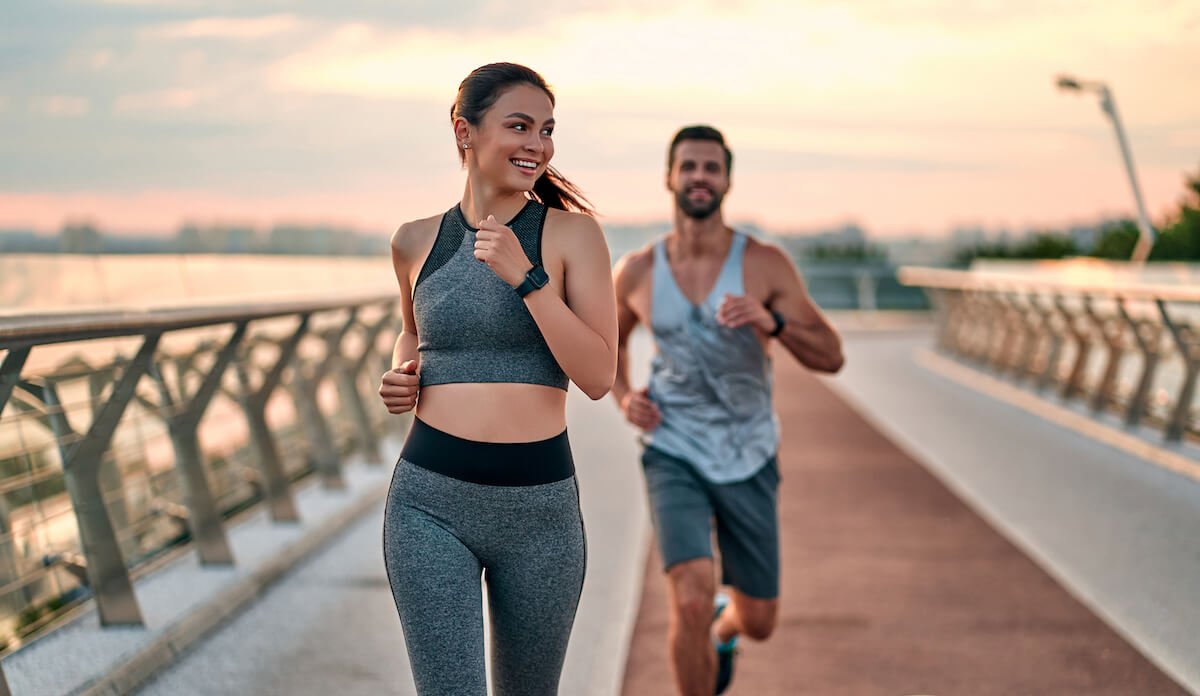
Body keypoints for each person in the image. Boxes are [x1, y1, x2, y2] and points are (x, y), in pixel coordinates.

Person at [377, 62, 618, 696]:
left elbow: (597, 375)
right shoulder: (413, 240)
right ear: (465, 131)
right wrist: (400, 377)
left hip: (540, 511)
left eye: (546, 130)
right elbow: (413, 333)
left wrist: (527, 278)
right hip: (429, 503)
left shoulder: (571, 235)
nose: (537, 145)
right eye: (519, 126)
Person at [611, 125, 844, 695]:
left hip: (749, 452)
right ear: (669, 176)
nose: (699, 177)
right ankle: (704, 626)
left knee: (760, 620)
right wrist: (624, 396)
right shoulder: (638, 270)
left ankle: (727, 628)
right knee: (687, 598)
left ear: (727, 181)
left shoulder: (764, 264)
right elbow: (606, 343)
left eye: (711, 168)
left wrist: (774, 323)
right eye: (688, 166)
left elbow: (832, 356)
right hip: (672, 448)